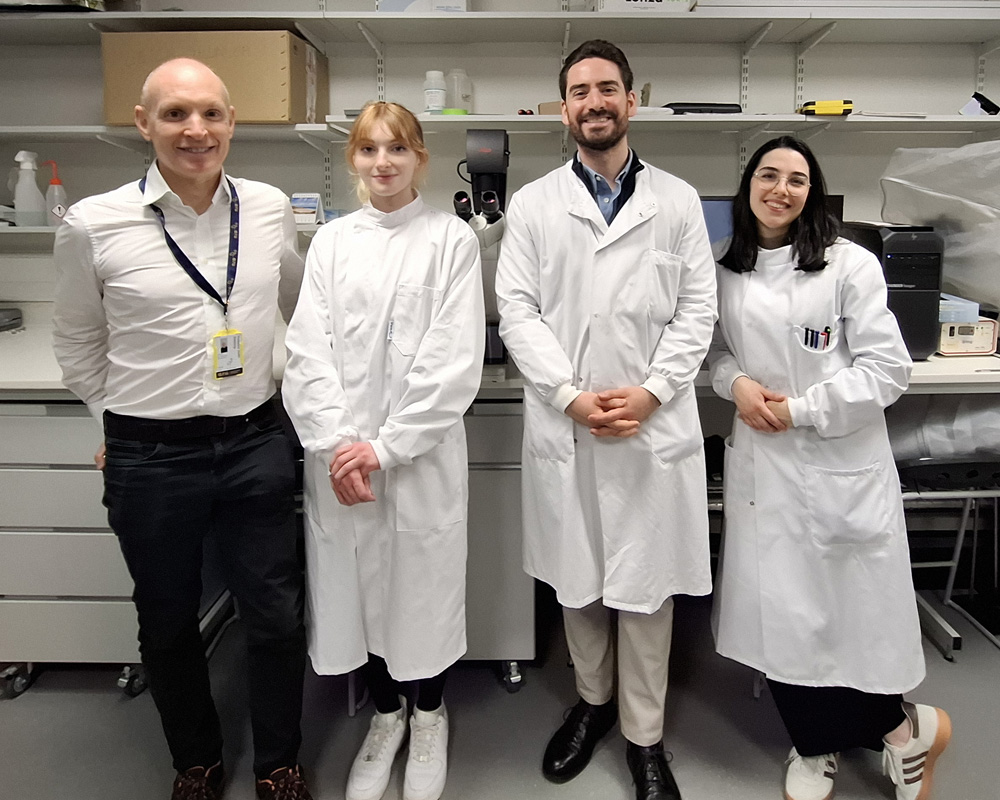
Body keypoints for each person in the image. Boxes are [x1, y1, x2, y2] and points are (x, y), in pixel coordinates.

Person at [52, 59, 311, 800]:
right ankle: (194, 760)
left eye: (210, 114)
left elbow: (299, 306)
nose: (195, 131)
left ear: (233, 121)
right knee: (167, 621)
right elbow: (75, 342)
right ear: (144, 123)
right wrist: (117, 421)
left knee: (276, 614)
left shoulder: (265, 208)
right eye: (175, 115)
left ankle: (278, 765)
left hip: (257, 439)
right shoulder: (93, 223)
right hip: (151, 452)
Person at [495, 40, 716, 800]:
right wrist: (568, 395)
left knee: (647, 592)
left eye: (608, 88)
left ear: (632, 101)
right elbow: (516, 312)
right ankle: (593, 707)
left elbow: (697, 311)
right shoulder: (532, 206)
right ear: (565, 109)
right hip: (571, 424)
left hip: (652, 428)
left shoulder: (679, 202)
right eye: (581, 91)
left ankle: (646, 738)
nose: (595, 101)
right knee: (579, 585)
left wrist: (653, 392)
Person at [708, 135, 952, 800]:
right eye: (768, 175)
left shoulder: (849, 265)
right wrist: (737, 388)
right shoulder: (726, 267)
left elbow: (888, 368)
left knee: (852, 619)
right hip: (765, 465)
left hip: (835, 458)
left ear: (812, 192)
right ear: (748, 185)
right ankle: (828, 745)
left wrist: (805, 409)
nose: (780, 189)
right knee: (784, 618)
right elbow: (717, 351)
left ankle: (898, 735)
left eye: (796, 179)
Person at [281, 101, 484, 800]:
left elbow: (453, 359)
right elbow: (308, 350)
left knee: (420, 594)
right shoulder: (332, 244)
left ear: (420, 158)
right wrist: (343, 446)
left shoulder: (451, 239)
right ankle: (387, 715)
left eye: (397, 148)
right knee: (356, 594)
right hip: (342, 460)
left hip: (417, 456)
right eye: (369, 149)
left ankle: (429, 715)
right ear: (353, 160)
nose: (383, 162)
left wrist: (384, 448)